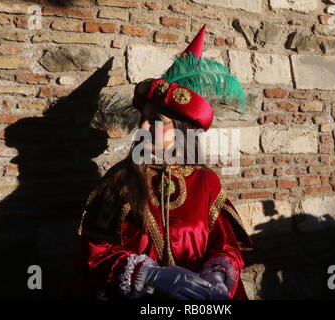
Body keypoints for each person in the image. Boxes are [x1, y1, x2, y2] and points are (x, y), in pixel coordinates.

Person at [65, 25, 252, 300]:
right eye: (143, 116)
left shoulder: (206, 183)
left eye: (155, 120)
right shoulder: (120, 181)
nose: (142, 125)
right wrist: (151, 275)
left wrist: (218, 274)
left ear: (180, 130)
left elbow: (225, 247)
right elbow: (95, 255)